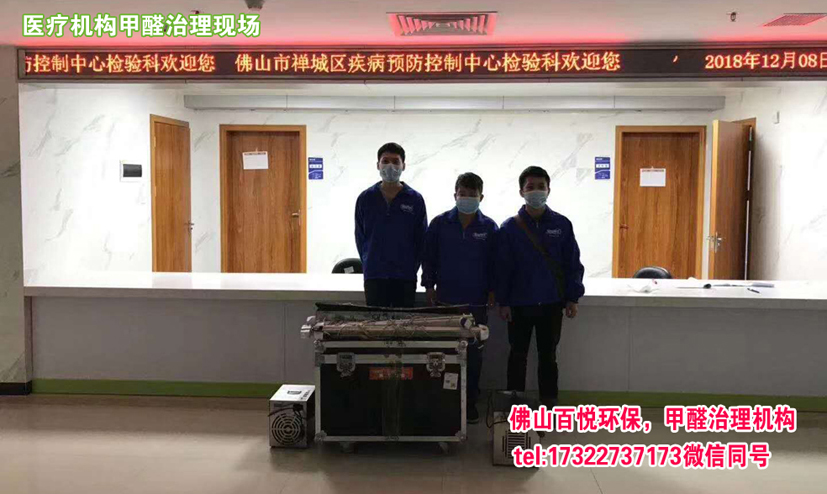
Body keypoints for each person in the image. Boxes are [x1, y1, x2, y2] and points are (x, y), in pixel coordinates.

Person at [496, 166, 585, 409]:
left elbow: (572, 264)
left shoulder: (562, 224)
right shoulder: (510, 227)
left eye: (540, 187)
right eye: (530, 187)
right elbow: (502, 268)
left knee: (548, 356)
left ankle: (549, 403)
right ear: (521, 192)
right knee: (517, 355)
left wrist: (573, 297)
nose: (535, 191)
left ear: (548, 190)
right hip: (519, 304)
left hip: (551, 303)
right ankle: (515, 404)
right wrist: (503, 301)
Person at [421, 172, 498, 424]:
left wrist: (493, 290)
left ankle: (470, 402)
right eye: (462, 194)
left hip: (476, 302)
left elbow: (496, 263)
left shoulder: (489, 227)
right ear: (454, 195)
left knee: (474, 355)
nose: (466, 198)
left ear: (481, 197)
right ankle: (447, 399)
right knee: (445, 352)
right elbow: (428, 258)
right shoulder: (440, 224)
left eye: (472, 194)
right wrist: (429, 286)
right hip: (446, 301)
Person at [355, 142, 427, 308]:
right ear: (378, 165)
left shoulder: (415, 199)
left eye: (395, 161)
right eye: (385, 161)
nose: (390, 166)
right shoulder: (366, 198)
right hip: (375, 276)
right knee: (376, 322)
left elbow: (421, 239)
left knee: (404, 323)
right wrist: (369, 263)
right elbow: (360, 237)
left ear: (403, 166)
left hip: (405, 277)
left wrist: (411, 268)